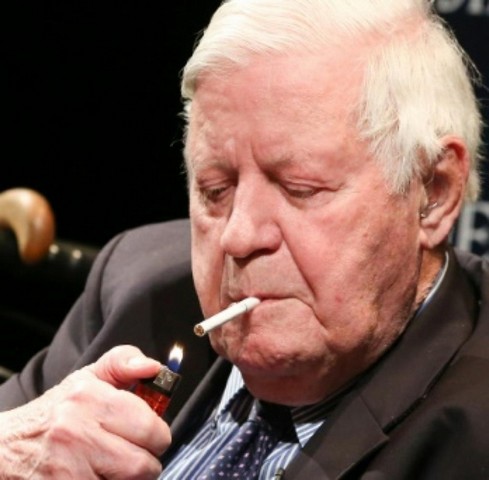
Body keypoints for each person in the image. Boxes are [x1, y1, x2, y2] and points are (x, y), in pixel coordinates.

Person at [1, 0, 488, 478]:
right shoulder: (141, 283)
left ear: (433, 192)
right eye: (215, 189)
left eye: (300, 189)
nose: (238, 236)